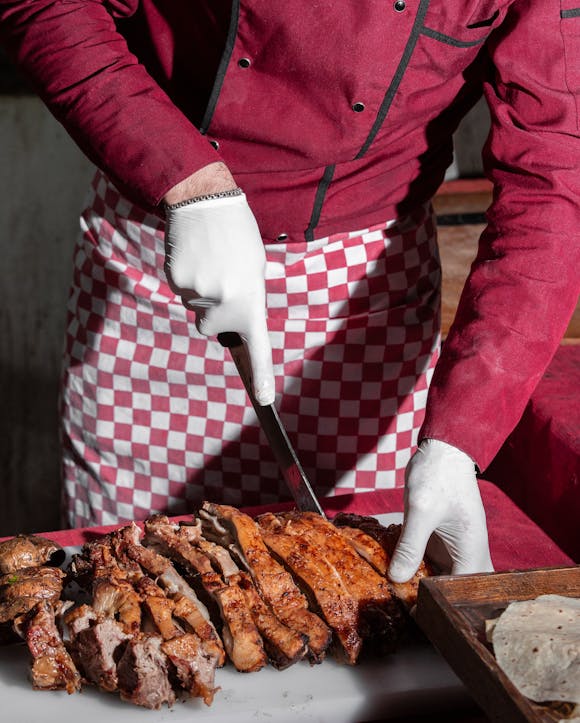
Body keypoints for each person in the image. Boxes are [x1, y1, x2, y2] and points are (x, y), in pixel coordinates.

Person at [1, 1, 578, 585]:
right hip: (162, 267)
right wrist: (183, 180)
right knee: (121, 580)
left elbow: (555, 182)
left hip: (366, 305)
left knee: (362, 586)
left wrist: (460, 439)